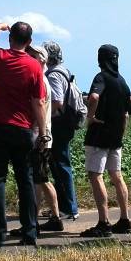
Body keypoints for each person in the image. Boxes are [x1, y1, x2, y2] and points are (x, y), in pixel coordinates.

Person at [0, 21, 48, 248]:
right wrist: (43, 132)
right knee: (25, 180)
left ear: (10, 40)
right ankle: (30, 232)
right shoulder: (33, 66)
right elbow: (38, 102)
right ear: (29, 42)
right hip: (22, 128)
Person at [10, 45, 64, 235]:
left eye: (33, 55)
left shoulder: (39, 80)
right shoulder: (42, 79)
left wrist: (39, 133)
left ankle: (52, 218)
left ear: (41, 60)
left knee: (40, 178)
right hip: (41, 135)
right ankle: (37, 220)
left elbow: (36, 106)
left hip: (37, 136)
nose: (28, 57)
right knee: (38, 180)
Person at [79, 44, 131, 238]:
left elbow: (93, 96)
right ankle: (124, 220)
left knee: (96, 175)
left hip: (99, 135)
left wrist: (90, 116)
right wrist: (120, 132)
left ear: (100, 59)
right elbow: (126, 115)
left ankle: (103, 222)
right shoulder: (123, 82)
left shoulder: (101, 77)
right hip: (116, 136)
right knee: (116, 176)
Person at [42, 41, 80, 220]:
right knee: (61, 165)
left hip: (58, 124)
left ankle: (68, 208)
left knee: (60, 166)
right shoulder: (65, 71)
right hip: (66, 123)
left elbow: (57, 102)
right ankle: (64, 206)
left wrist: (45, 118)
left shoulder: (53, 75)